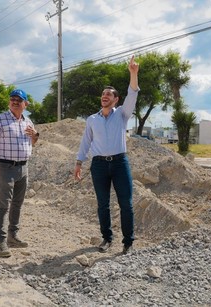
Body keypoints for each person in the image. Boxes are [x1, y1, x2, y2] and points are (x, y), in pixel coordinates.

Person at [74, 55, 139, 255]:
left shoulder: (122, 114)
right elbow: (86, 141)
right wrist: (79, 162)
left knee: (126, 204)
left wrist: (133, 73)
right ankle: (107, 238)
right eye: (103, 94)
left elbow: (133, 93)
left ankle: (127, 242)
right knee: (103, 205)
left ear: (116, 99)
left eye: (109, 94)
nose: (105, 96)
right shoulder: (92, 119)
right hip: (99, 165)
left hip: (120, 163)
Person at [0, 89, 39, 258]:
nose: (15, 102)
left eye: (19, 99)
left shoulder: (27, 121)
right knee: (4, 204)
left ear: (26, 104)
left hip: (23, 167)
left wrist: (35, 135)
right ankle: (0, 241)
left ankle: (13, 236)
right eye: (12, 99)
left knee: (17, 203)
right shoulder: (0, 119)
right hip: (6, 167)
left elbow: (33, 142)